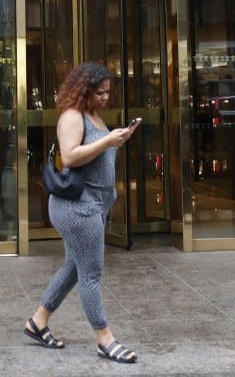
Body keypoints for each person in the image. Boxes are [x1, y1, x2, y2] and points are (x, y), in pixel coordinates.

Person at [23, 62, 140, 364]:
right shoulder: (72, 116)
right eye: (99, 92)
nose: (105, 97)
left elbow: (98, 154)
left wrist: (117, 139)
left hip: (93, 204)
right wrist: (107, 141)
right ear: (84, 90)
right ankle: (105, 339)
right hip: (76, 206)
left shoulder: (93, 115)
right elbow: (72, 157)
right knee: (91, 275)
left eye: (107, 92)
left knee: (74, 268)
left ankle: (38, 322)